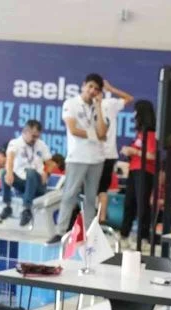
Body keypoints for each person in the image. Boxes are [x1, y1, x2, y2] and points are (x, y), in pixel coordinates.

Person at [48, 73, 108, 244]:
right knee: (70, 194)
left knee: (90, 197)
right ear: (83, 86)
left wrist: (98, 106)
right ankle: (60, 231)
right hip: (77, 157)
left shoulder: (99, 107)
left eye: (96, 89)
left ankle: (89, 234)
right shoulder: (71, 103)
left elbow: (103, 132)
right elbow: (73, 130)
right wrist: (95, 134)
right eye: (90, 86)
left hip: (96, 159)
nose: (92, 91)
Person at [0, 120, 53, 227]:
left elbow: (51, 163)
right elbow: (10, 159)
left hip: (38, 184)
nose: (35, 139)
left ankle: (26, 209)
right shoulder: (15, 143)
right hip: (22, 183)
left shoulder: (41, 145)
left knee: (30, 172)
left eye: (37, 136)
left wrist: (46, 172)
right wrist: (9, 173)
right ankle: (7, 205)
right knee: (4, 172)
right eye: (33, 136)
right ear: (25, 132)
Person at [119, 100, 157, 247]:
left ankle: (143, 237)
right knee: (129, 203)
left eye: (135, 112)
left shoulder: (151, 134)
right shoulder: (139, 134)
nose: (134, 115)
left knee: (142, 205)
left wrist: (133, 151)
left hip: (145, 172)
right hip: (134, 170)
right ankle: (124, 235)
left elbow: (152, 155)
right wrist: (129, 152)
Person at [98, 80, 134, 223]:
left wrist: (112, 89)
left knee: (102, 189)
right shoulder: (84, 106)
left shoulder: (109, 103)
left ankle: (101, 219)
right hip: (91, 154)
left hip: (107, 154)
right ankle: (90, 219)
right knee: (92, 189)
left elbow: (129, 98)